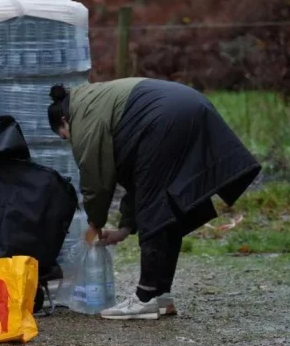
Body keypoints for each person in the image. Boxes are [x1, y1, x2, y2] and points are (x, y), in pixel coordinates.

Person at [47, 77, 261, 320]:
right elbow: (137, 181)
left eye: (64, 136)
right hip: (191, 106)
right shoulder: (95, 101)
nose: (69, 140)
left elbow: (96, 179)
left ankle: (145, 297)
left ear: (64, 120)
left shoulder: (83, 118)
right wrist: (124, 229)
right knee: (167, 206)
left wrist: (94, 224)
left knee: (154, 209)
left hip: (166, 117)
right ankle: (161, 296)